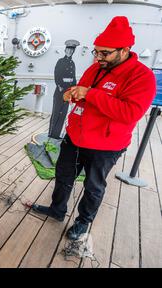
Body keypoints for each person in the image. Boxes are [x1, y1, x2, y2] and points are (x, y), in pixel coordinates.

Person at [31, 16, 157, 240]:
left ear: (124, 50)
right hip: (75, 137)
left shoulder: (142, 77)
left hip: (105, 146)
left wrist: (90, 94)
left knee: (93, 186)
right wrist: (74, 95)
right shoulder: (95, 68)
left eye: (104, 53)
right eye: (96, 52)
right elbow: (83, 92)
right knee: (63, 176)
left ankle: (82, 222)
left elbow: (130, 113)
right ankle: (57, 210)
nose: (98, 57)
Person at [48, 40, 80, 139]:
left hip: (68, 91)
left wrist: (74, 89)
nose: (70, 52)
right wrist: (59, 85)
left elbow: (73, 77)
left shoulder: (72, 63)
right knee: (56, 112)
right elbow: (56, 74)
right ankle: (51, 134)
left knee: (63, 113)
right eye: (68, 49)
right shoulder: (60, 61)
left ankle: (56, 135)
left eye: (72, 50)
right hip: (60, 91)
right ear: (65, 50)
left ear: (73, 52)